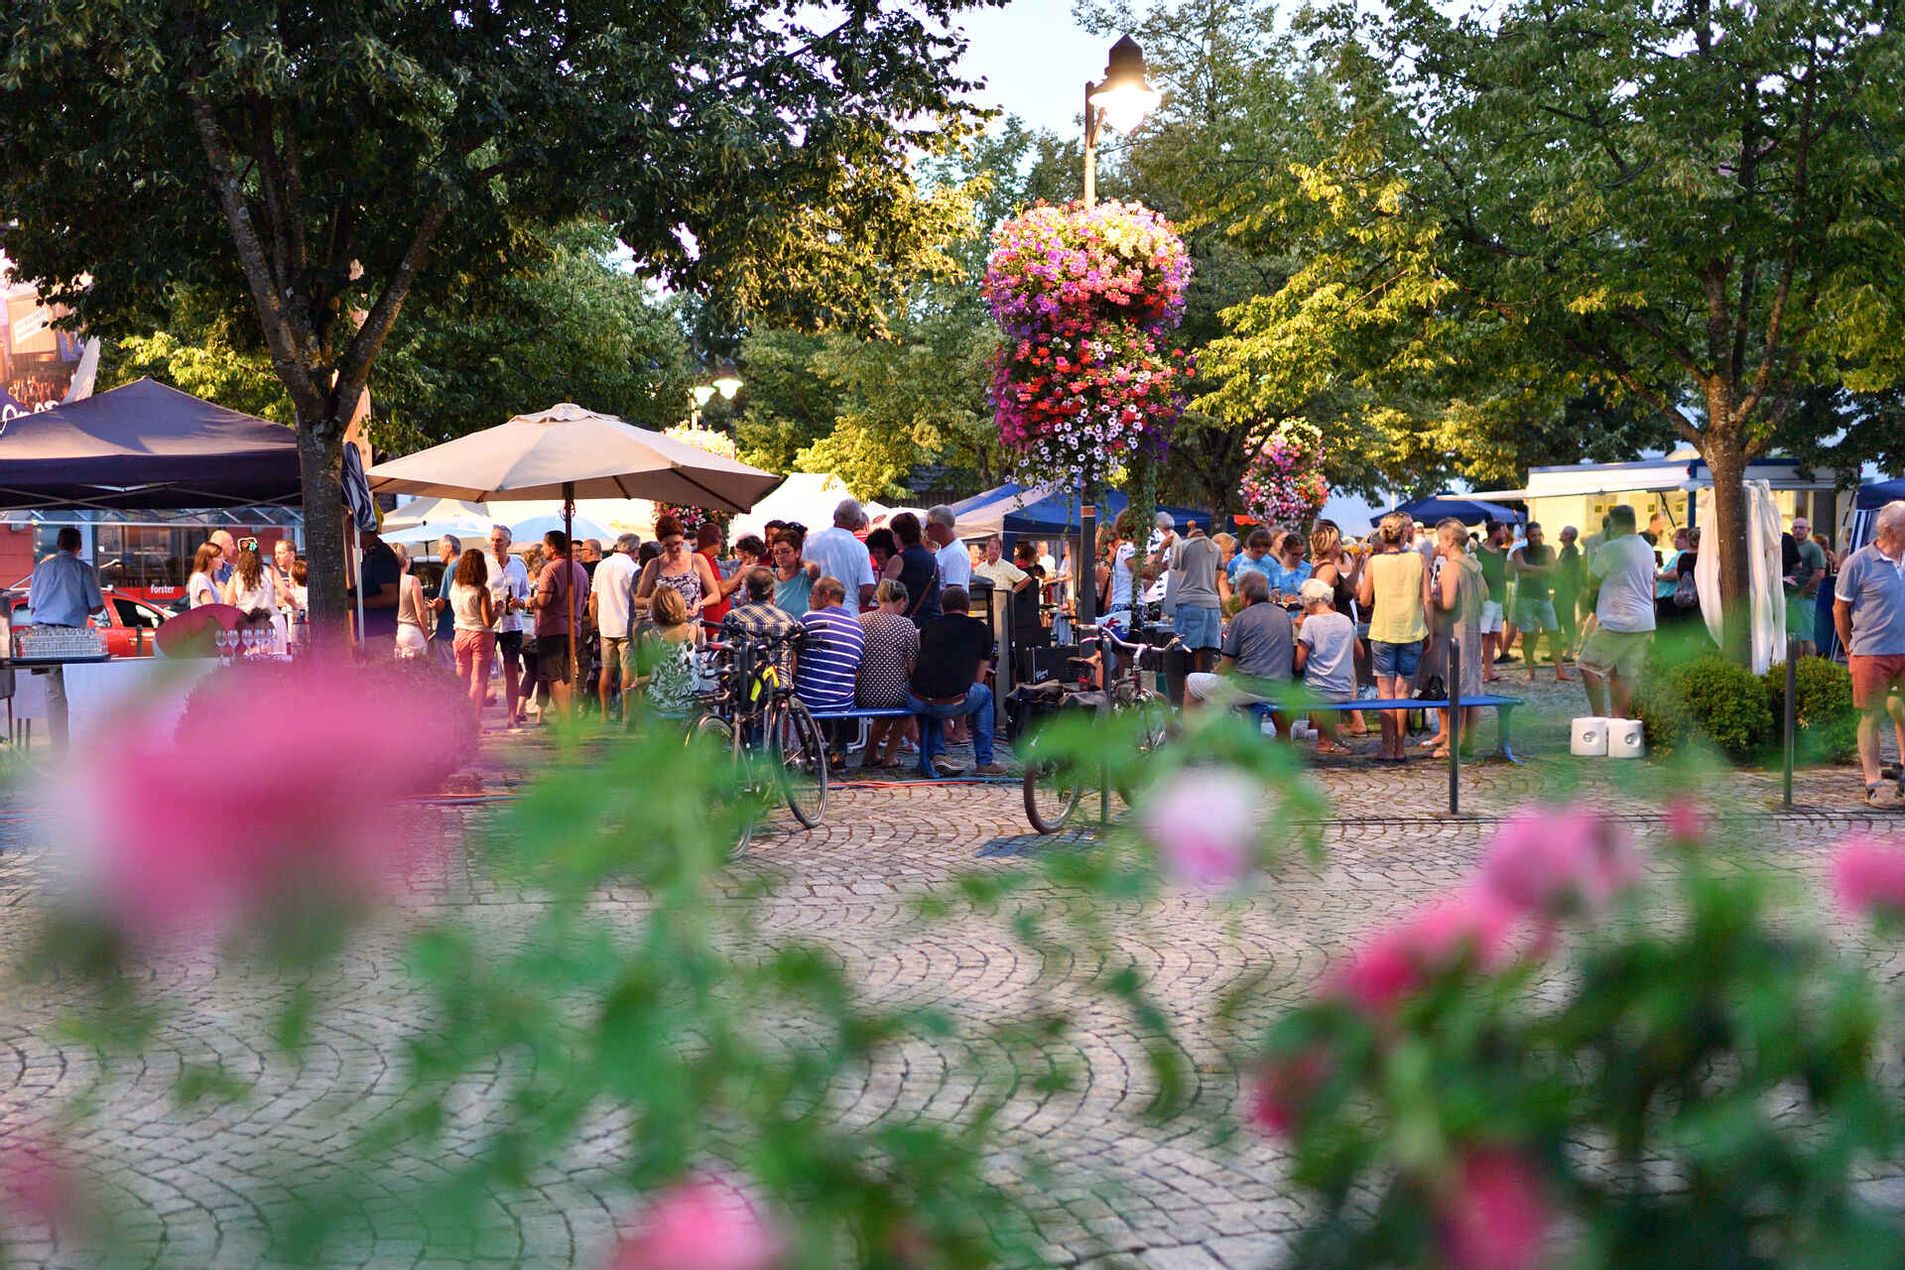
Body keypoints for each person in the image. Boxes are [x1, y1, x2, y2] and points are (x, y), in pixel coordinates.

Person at [1833, 500, 1905, 807]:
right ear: (1889, 530)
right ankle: (1873, 782)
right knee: (1872, 716)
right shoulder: (1859, 563)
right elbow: (1840, 609)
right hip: (1871, 651)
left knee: (1901, 710)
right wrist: (1849, 646)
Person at [1357, 511, 1430, 762]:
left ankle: (1386, 747)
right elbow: (1427, 599)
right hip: (1412, 630)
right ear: (1404, 533)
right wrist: (1428, 629)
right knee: (1404, 694)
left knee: (1385, 694)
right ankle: (1401, 748)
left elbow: (1364, 600)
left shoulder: (1374, 563)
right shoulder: (1419, 560)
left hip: (1383, 631)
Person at [907, 585, 1003, 778]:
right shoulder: (981, 629)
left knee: (934, 695)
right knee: (983, 695)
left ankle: (938, 754)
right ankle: (984, 761)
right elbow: (977, 678)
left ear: (942, 607)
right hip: (951, 701)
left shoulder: (928, 627)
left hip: (918, 698)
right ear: (968, 607)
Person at [1185, 571, 1295, 735]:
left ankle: (1189, 740)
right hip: (1281, 687)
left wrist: (1214, 671)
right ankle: (1280, 740)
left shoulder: (1241, 618)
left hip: (1249, 688)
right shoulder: (1283, 615)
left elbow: (1227, 665)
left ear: (1244, 595)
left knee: (1192, 682)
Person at [28, 527, 104, 752]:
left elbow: (32, 607)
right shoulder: (83, 570)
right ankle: (77, 747)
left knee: (54, 695)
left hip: (42, 636)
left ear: (58, 544)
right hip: (72, 637)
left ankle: (58, 748)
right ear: (78, 547)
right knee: (77, 692)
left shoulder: (41, 569)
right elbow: (97, 607)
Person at [1578, 504, 1657, 720]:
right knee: (1625, 674)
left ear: (1614, 524)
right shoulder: (1646, 547)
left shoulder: (1612, 548)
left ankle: (1599, 718)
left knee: (1588, 667)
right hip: (1643, 621)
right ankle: (1621, 721)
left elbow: (1592, 580)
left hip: (1617, 619)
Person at [1425, 519, 1485, 757]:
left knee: (1456, 687)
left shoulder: (1452, 566)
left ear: (1449, 540)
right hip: (1472, 629)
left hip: (1454, 632)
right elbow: (1485, 594)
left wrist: (1431, 596)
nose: (1438, 545)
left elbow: (1448, 603)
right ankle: (1469, 741)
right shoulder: (1472, 564)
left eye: (1440, 540)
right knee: (1471, 687)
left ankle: (1452, 745)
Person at [797, 577, 866, 764]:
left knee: (814, 686)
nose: (810, 599)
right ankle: (838, 754)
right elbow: (856, 669)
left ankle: (811, 746)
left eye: (812, 594)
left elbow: (794, 655)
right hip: (842, 701)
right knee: (839, 693)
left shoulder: (810, 618)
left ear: (826, 594)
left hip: (808, 699)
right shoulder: (857, 627)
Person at [1309, 520, 1367, 735]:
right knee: (1343, 673)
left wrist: (1358, 566)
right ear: (1332, 545)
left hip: (1341, 624)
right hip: (1337, 627)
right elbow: (1318, 595)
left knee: (1342, 673)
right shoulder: (1328, 569)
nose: (1341, 544)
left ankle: (1328, 726)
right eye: (1338, 541)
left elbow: (1350, 589)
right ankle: (1344, 724)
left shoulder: (1328, 567)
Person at [857, 579, 921, 769]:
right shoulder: (906, 625)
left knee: (885, 709)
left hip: (862, 694)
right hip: (894, 695)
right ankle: (889, 756)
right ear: (901, 600)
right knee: (908, 705)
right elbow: (912, 665)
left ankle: (870, 753)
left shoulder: (860, 620)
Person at [527, 529, 590, 720]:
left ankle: (565, 720)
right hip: (574, 628)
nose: (543, 549)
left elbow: (544, 601)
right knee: (567, 675)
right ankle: (569, 717)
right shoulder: (579, 569)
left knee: (554, 676)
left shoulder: (550, 569)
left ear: (553, 547)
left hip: (552, 628)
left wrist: (531, 602)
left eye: (545, 546)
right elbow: (585, 598)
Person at [1293, 577, 1357, 754]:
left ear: (1309, 601)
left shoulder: (1310, 623)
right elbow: (1360, 653)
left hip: (1318, 692)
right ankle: (1328, 739)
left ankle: (1320, 741)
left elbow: (1299, 664)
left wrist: (1299, 631)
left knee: (1293, 685)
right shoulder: (1345, 620)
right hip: (1344, 690)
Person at [485, 525, 532, 730]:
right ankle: (475, 718)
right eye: (493, 539)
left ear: (508, 543)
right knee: (481, 672)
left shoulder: (518, 564)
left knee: (511, 671)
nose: (496, 543)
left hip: (512, 623)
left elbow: (525, 592)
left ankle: (512, 715)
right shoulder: (485, 564)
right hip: (490, 623)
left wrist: (520, 601)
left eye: (500, 540)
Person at [722, 565, 802, 683]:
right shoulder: (788, 619)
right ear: (772, 590)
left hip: (741, 686)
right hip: (778, 687)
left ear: (748, 591)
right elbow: (793, 658)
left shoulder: (733, 616)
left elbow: (723, 651)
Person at [636, 515, 722, 624]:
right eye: (667, 545)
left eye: (677, 543)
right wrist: (660, 602)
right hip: (664, 628)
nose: (673, 549)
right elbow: (639, 600)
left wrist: (699, 604)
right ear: (661, 544)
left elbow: (715, 595)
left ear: (683, 539)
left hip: (692, 628)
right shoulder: (654, 565)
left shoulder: (696, 560)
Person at [591, 533, 641, 717]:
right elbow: (638, 599)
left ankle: (604, 714)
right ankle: (627, 714)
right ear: (635, 550)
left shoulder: (601, 565)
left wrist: (594, 620)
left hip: (606, 625)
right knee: (628, 671)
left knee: (606, 670)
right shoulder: (633, 568)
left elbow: (593, 597)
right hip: (626, 625)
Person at [634, 585, 702, 721]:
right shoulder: (695, 631)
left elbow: (645, 674)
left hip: (659, 705)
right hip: (690, 702)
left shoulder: (648, 637)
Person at [1170, 521, 1225, 672]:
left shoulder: (1183, 546)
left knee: (1187, 653)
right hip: (1212, 604)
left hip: (1189, 601)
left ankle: (1189, 690)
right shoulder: (1216, 548)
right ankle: (1203, 689)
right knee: (1207, 653)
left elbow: (1174, 568)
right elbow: (1219, 569)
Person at [804, 499, 877, 610]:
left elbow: (801, 574)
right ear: (857, 522)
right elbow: (867, 590)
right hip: (847, 612)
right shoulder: (860, 548)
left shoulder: (810, 541)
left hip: (815, 611)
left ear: (834, 515)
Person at [448, 548, 495, 721]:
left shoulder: (456, 587)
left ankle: (459, 718)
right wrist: (499, 610)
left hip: (460, 634)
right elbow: (488, 621)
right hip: (480, 635)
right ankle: (474, 721)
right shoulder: (481, 591)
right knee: (479, 680)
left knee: (461, 678)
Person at [1509, 522, 1561, 678]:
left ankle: (1560, 671)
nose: (1537, 538)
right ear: (1527, 537)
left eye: (1539, 535)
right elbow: (1521, 570)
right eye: (1533, 535)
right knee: (1528, 635)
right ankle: (1530, 671)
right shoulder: (1519, 551)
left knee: (1554, 632)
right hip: (1525, 597)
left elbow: (1552, 570)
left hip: (1544, 597)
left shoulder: (1548, 550)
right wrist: (1542, 571)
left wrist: (1529, 569)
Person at [888, 512, 942, 626]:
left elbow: (884, 594)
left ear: (899, 535)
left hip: (907, 624)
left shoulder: (898, 560)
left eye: (893, 533)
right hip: (933, 622)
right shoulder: (932, 559)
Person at [1785, 515, 1827, 657]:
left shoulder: (1814, 548)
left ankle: (1810, 668)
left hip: (1805, 598)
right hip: (1788, 596)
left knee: (1806, 636)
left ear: (1808, 530)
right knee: (1792, 636)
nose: (1798, 530)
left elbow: (1819, 574)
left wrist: (1802, 594)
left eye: (1801, 527)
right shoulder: (1789, 547)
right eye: (1795, 528)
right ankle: (1794, 669)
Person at [1476, 520, 1512, 679]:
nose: (1505, 535)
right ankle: (1475, 671)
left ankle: (1488, 671)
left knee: (1492, 635)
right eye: (1503, 532)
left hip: (1498, 598)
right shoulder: (1479, 553)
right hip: (1486, 599)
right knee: (1482, 636)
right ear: (1495, 532)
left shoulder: (1499, 552)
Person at [355, 525, 402, 642]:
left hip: (380, 632)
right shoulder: (369, 554)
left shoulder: (382, 555)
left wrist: (356, 603)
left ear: (361, 533)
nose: (347, 536)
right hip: (370, 632)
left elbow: (390, 597)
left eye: (349, 532)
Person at [389, 542, 433, 658]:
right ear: (405, 559)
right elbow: (420, 610)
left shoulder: (388, 583)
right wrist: (426, 633)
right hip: (412, 630)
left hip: (395, 631)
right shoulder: (412, 580)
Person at [224, 545, 278, 629]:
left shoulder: (236, 576)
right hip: (269, 620)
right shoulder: (270, 571)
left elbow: (228, 604)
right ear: (259, 555)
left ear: (241, 556)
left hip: (246, 622)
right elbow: (286, 594)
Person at [428, 534, 462, 668]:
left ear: (449, 548)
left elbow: (442, 601)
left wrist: (435, 606)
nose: (438, 551)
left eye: (439, 547)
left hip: (448, 626)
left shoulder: (451, 569)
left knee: (449, 669)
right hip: (463, 627)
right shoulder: (465, 565)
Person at [1553, 526, 1585, 664]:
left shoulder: (1572, 552)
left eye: (1564, 533)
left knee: (1567, 621)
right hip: (1561, 590)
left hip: (1568, 591)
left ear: (1569, 536)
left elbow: (1562, 569)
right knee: (1557, 620)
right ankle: (1556, 651)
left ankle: (1570, 651)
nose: (1561, 534)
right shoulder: (1565, 550)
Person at [695, 522, 733, 634]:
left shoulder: (710, 560)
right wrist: (741, 572)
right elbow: (721, 590)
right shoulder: (702, 559)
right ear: (711, 539)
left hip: (717, 625)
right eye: (720, 537)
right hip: (710, 626)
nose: (722, 542)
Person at [924, 505, 971, 593]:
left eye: (928, 525)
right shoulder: (945, 549)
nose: (926, 530)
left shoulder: (955, 553)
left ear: (940, 527)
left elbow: (953, 593)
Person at [770, 529, 816, 616]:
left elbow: (814, 569)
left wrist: (801, 562)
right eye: (776, 553)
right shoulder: (769, 576)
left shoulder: (805, 575)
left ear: (797, 552)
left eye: (785, 552)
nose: (780, 556)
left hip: (801, 627)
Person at [1226, 528, 1277, 593]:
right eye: (1258, 552)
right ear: (1250, 546)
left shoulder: (1271, 562)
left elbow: (1276, 586)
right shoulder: (1235, 562)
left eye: (1265, 553)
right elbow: (1229, 586)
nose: (1261, 555)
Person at [186, 542, 225, 609]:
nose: (222, 561)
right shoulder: (200, 579)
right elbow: (210, 608)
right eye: (219, 557)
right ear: (208, 559)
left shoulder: (210, 578)